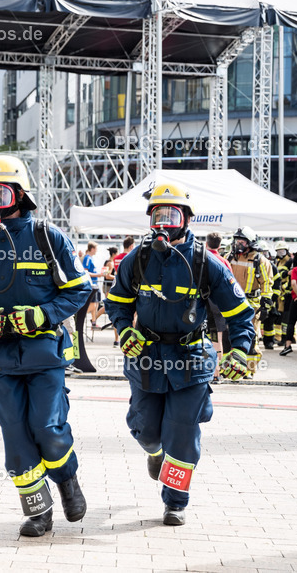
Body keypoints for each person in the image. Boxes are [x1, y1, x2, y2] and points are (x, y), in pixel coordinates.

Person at [0, 155, 91, 537]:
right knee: (16, 436)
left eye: (0, 192)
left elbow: (79, 290)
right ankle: (39, 512)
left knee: (48, 429)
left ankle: (67, 481)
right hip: (0, 359)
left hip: (45, 354)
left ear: (19, 194)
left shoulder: (47, 237)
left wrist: (42, 315)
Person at [104, 182, 254, 527]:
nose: (164, 223)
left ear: (186, 218)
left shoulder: (207, 262)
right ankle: (154, 453)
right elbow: (117, 303)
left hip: (191, 359)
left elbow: (240, 314)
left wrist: (240, 352)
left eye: (171, 215)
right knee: (146, 429)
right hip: (146, 357)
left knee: (182, 435)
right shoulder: (136, 259)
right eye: (158, 215)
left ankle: (175, 501)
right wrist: (124, 329)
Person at [227, 226, 274, 376]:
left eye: (242, 241)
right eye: (237, 240)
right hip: (233, 302)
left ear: (251, 242)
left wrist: (266, 302)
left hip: (251, 305)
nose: (238, 244)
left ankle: (249, 369)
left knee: (251, 336)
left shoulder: (260, 260)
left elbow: (266, 283)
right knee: (231, 335)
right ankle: (231, 366)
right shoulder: (231, 257)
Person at [204, 232, 233, 380]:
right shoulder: (224, 262)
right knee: (217, 340)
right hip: (218, 305)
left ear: (206, 244)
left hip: (200, 304)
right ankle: (217, 373)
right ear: (220, 245)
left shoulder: (199, 260)